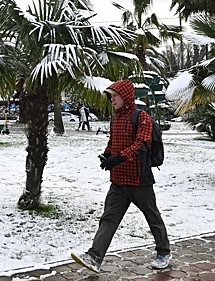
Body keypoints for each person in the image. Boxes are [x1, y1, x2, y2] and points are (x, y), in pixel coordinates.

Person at [71, 79, 171, 273]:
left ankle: (164, 252)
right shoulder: (115, 118)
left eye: (115, 96)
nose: (112, 100)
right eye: (110, 96)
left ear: (126, 96)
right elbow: (113, 141)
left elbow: (142, 144)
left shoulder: (141, 117)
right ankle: (94, 257)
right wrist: (108, 154)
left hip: (139, 181)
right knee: (108, 219)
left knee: (152, 217)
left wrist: (118, 158)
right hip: (118, 182)